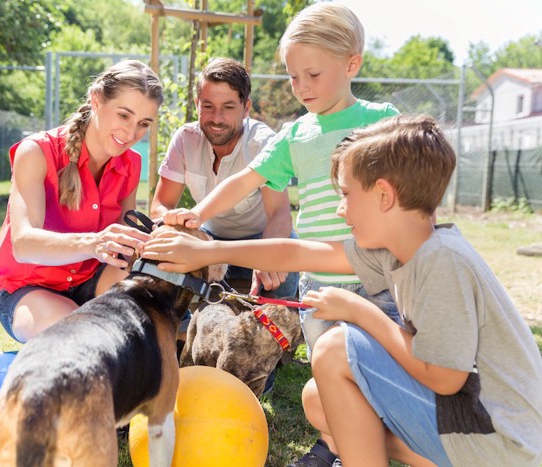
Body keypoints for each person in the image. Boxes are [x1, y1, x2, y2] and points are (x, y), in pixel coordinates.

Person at [141, 115, 542, 467]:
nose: (340, 209)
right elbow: (300, 251)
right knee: (319, 399)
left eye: (347, 195)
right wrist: (209, 249)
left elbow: (445, 378)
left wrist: (359, 311)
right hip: (476, 424)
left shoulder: (440, 260)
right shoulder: (400, 250)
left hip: (502, 442)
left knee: (335, 347)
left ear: (384, 195)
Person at [161, 3, 401, 358]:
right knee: (330, 366)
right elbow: (244, 181)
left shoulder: (382, 121)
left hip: (379, 279)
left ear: (352, 64)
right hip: (319, 283)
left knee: (385, 366)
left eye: (313, 75)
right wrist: (197, 213)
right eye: (292, 76)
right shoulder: (294, 135)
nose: (301, 87)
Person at [0, 60, 163, 343]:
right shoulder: (37, 152)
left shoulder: (131, 163)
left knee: (146, 329)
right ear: (96, 100)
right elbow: (23, 244)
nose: (130, 134)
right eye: (124, 116)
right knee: (83, 338)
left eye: (143, 124)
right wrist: (93, 243)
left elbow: (122, 252)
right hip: (30, 290)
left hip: (93, 282)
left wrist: (160, 242)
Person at [150, 57, 298, 298]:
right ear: (196, 103)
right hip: (209, 238)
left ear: (246, 108)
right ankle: (180, 328)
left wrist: (267, 256)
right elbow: (159, 206)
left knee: (284, 257)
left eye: (228, 107)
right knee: (162, 246)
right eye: (208, 106)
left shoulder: (263, 143)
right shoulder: (185, 139)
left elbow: (280, 214)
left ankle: (279, 323)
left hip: (261, 239)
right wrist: (176, 221)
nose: (217, 118)